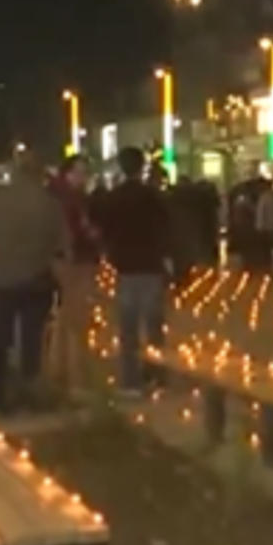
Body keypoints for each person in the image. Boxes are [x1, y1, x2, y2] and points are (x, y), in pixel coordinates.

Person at [0, 152, 69, 415]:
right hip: (37, 280)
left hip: (1, 279)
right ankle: (30, 395)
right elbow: (63, 245)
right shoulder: (51, 204)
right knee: (33, 341)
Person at [103, 148, 170, 396]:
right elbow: (166, 227)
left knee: (127, 328)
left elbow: (105, 230)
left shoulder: (114, 197)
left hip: (125, 268)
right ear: (142, 167)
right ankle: (156, 375)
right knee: (153, 326)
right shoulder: (152, 196)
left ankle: (130, 381)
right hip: (151, 266)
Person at [48, 155, 100, 397]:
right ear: (68, 172)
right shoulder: (70, 199)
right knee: (75, 320)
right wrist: (93, 235)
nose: (83, 178)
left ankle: (58, 370)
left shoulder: (56, 195)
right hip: (74, 261)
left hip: (63, 260)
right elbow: (79, 230)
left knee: (64, 319)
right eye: (80, 172)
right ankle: (75, 378)